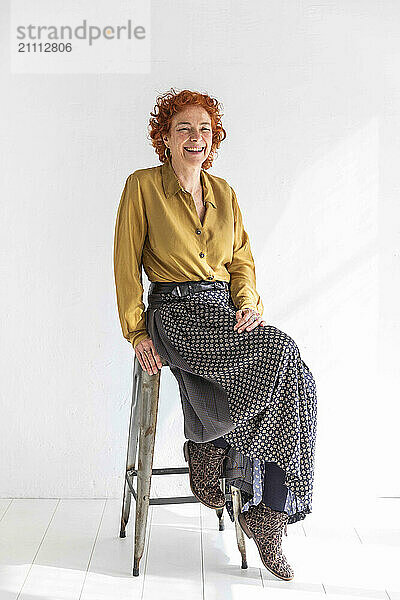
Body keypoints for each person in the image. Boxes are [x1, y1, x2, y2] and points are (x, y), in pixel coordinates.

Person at [113, 88, 318, 581]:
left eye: (204, 129)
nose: (195, 138)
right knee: (283, 356)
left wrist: (247, 304)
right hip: (177, 316)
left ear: (215, 138)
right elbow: (125, 264)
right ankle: (212, 446)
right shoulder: (142, 187)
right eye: (183, 128)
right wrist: (136, 332)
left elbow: (241, 262)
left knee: (298, 381)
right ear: (163, 137)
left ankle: (265, 508)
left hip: (224, 312)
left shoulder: (224, 193)